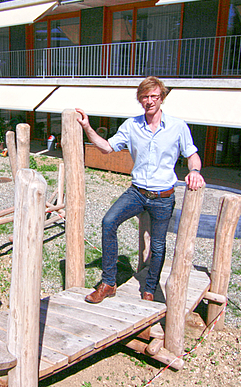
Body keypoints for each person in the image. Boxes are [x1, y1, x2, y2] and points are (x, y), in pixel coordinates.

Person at [76, 76, 205, 304]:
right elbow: (107, 147)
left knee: (157, 244)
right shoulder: (131, 125)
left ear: (161, 98)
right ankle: (108, 282)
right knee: (108, 222)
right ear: (140, 100)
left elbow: (192, 154)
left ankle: (150, 288)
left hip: (163, 196)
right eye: (145, 97)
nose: (150, 101)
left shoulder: (177, 126)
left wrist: (194, 171)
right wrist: (87, 127)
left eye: (154, 96)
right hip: (137, 192)